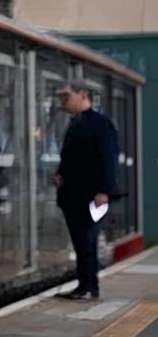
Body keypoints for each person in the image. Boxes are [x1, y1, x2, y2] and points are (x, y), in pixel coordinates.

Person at [54, 81, 118, 300]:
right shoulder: (76, 123)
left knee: (87, 240)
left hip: (91, 196)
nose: (63, 101)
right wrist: (61, 174)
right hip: (73, 195)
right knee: (81, 242)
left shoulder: (100, 123)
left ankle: (89, 287)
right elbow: (73, 158)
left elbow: (109, 159)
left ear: (82, 95)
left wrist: (104, 191)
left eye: (67, 96)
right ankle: (85, 285)